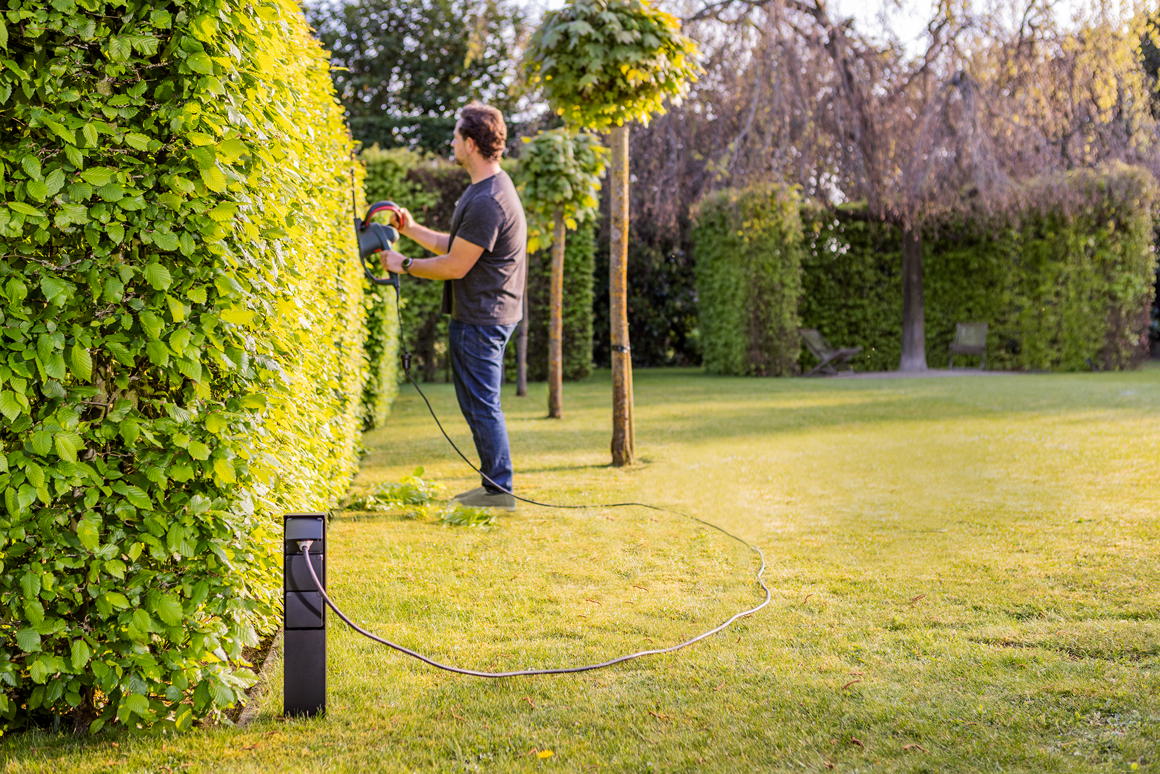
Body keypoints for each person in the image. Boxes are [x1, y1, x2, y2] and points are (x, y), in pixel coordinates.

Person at [378, 102, 526, 510]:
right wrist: (409, 231)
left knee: (481, 404)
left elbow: (456, 266)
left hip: (483, 316)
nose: (452, 142)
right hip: (483, 313)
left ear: (472, 143)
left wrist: (403, 264)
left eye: (457, 135)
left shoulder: (488, 200)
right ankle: (495, 486)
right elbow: (453, 245)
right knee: (477, 403)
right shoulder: (483, 190)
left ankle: (500, 490)